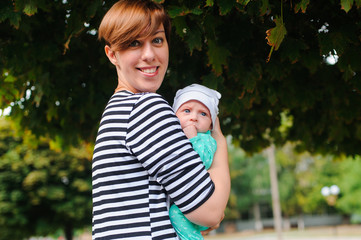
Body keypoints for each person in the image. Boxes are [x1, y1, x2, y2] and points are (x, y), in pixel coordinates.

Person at [92, 1, 230, 239]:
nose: (149, 55)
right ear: (112, 54)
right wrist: (221, 148)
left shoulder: (117, 110)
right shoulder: (146, 108)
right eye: (134, 43)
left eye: (157, 40)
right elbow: (210, 212)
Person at [169, 84, 222, 240]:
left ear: (211, 124)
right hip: (186, 199)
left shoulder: (207, 140)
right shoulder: (172, 137)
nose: (193, 117)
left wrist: (193, 138)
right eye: (186, 110)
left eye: (203, 114)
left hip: (201, 201)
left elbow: (200, 162)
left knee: (175, 213)